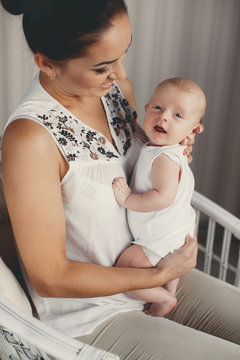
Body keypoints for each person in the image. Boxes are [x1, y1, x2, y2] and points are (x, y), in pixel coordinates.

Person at [1, 1, 240, 359]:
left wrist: (171, 148)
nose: (120, 72)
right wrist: (157, 276)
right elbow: (49, 277)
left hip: (156, 267)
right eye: (102, 67)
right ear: (47, 63)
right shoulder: (30, 139)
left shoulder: (111, 90)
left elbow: (140, 163)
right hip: (93, 315)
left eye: (122, 54)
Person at [112, 77, 206, 317]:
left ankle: (163, 298)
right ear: (146, 109)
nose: (163, 117)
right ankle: (170, 287)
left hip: (159, 236)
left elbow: (163, 197)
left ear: (194, 130)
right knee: (160, 271)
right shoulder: (164, 150)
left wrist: (128, 200)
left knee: (124, 269)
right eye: (158, 108)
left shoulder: (163, 158)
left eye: (178, 116)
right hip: (178, 228)